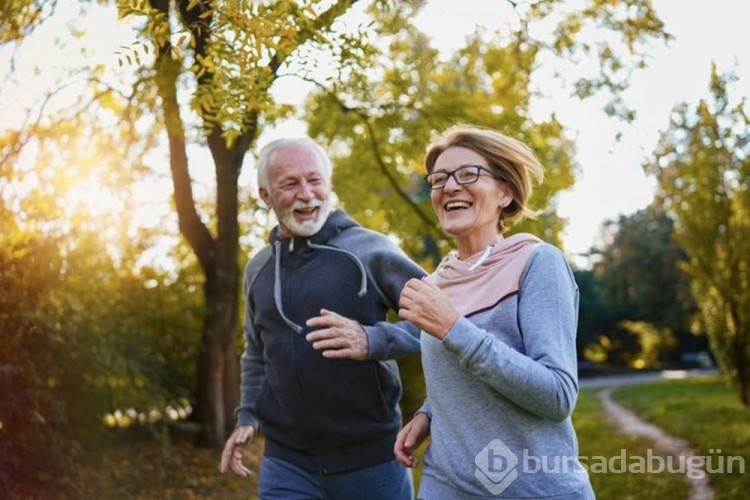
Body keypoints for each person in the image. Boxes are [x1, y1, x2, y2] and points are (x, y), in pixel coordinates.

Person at [394, 125, 596, 498]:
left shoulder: (537, 263)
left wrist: (454, 328)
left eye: (468, 174)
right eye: (438, 180)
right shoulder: (437, 281)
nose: (449, 187)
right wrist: (429, 413)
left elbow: (557, 395)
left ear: (506, 192)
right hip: (445, 485)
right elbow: (462, 374)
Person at [219, 137, 426, 499]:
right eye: (290, 184)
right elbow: (256, 354)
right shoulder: (258, 269)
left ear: (329, 185)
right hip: (287, 465)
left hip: (372, 462)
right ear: (265, 197)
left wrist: (373, 340)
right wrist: (247, 417)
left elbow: (442, 323)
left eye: (315, 180)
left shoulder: (369, 250)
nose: (306, 193)